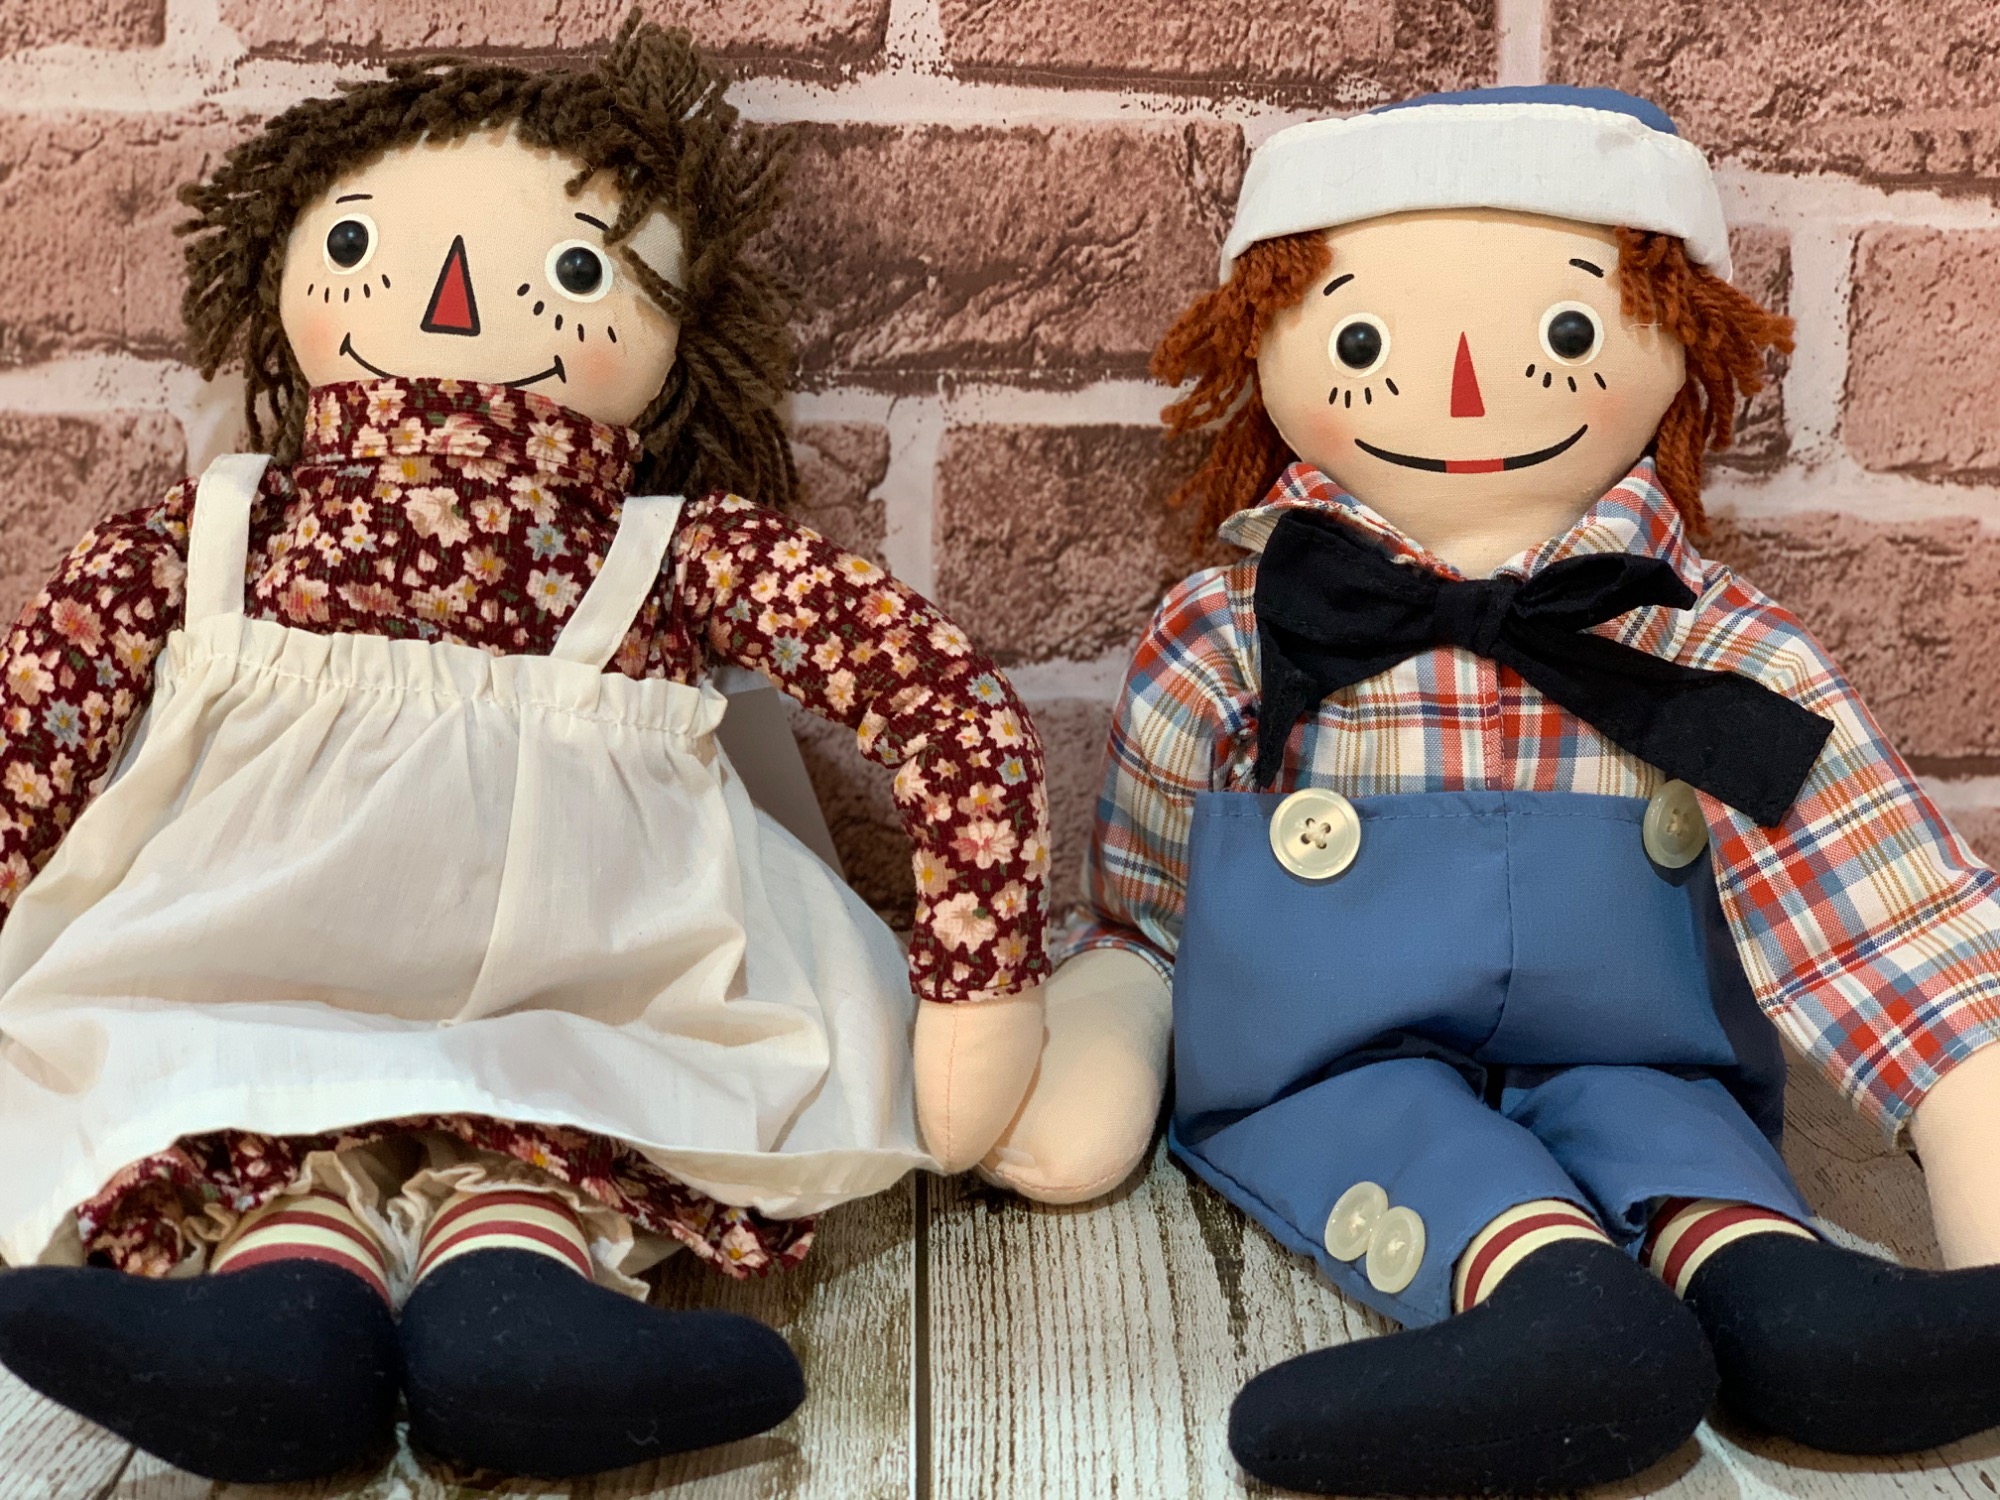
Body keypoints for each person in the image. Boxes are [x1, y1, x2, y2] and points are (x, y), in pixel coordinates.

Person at [0, 16, 1048, 1483]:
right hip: (252, 964)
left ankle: (519, 1322)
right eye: (359, 247)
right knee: (257, 1098)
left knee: (558, 1111)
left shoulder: (672, 551)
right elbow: (38, 720)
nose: (446, 293)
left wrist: (977, 983)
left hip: (595, 981)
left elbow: (938, 700)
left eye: (577, 270)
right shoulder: (227, 526)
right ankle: (279, 1321)